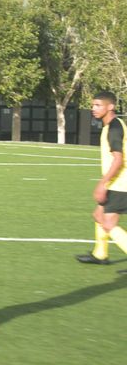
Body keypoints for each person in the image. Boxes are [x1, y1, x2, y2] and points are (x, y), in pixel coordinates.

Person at [77, 91, 127, 266]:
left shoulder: (114, 128)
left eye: (98, 105)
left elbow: (118, 160)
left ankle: (100, 254)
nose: (93, 108)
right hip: (117, 182)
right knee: (98, 215)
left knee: (108, 223)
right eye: (93, 105)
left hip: (121, 184)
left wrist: (102, 184)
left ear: (110, 106)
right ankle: (100, 254)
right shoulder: (111, 126)